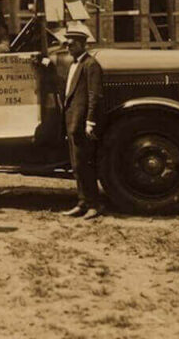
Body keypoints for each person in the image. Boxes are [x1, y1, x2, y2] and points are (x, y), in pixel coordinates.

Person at [61, 24, 104, 220]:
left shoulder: (91, 65)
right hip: (72, 122)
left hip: (82, 123)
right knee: (77, 164)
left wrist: (90, 122)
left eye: (71, 44)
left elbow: (95, 96)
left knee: (85, 164)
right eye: (67, 43)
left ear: (81, 44)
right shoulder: (74, 64)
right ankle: (82, 203)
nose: (67, 47)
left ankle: (94, 205)